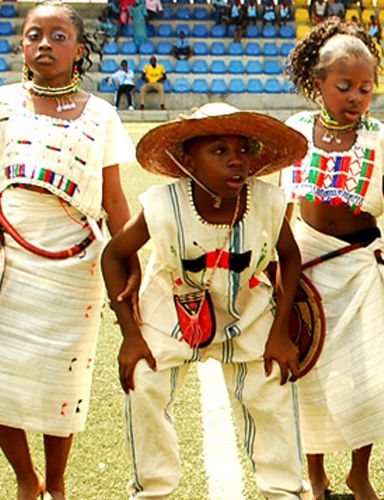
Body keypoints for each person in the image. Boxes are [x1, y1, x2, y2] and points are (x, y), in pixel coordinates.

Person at [0, 2, 136, 498]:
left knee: (63, 383)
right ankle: (26, 480)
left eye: (58, 37)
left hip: (75, 267)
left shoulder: (101, 114)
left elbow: (114, 198)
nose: (44, 44)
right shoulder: (0, 103)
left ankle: (56, 483)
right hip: (8, 263)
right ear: (22, 45)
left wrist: (129, 263)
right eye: (34, 34)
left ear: (79, 50)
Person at [102, 102, 308, 499]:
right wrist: (130, 334)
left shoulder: (267, 201)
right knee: (143, 381)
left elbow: (291, 255)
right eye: (219, 151)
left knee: (272, 384)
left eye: (243, 150)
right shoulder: (162, 204)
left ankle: (283, 490)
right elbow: (113, 254)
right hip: (173, 306)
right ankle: (153, 490)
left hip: (246, 309)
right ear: (187, 161)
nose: (236, 161)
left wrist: (280, 332)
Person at [282, 19, 384, 500]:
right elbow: (282, 210)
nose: (356, 97)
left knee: (364, 378)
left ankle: (359, 471)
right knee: (308, 374)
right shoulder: (295, 133)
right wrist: (275, 274)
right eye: (344, 86)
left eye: (366, 88)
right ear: (317, 85)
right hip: (308, 268)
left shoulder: (381, 138)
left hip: (362, 268)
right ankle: (315, 475)